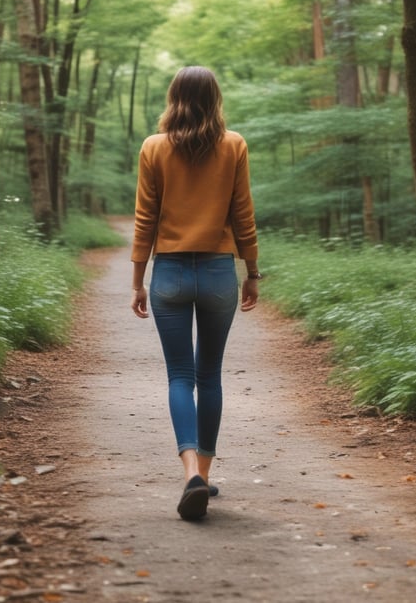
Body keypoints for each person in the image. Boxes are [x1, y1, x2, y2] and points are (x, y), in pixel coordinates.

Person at [130, 66, 261, 521]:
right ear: (216, 98)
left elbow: (145, 219)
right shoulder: (234, 145)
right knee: (210, 377)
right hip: (218, 272)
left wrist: (136, 280)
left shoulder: (153, 147)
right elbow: (243, 214)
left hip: (169, 273)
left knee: (179, 377)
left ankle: (191, 474)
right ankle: (203, 472)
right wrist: (253, 272)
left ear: (173, 98)